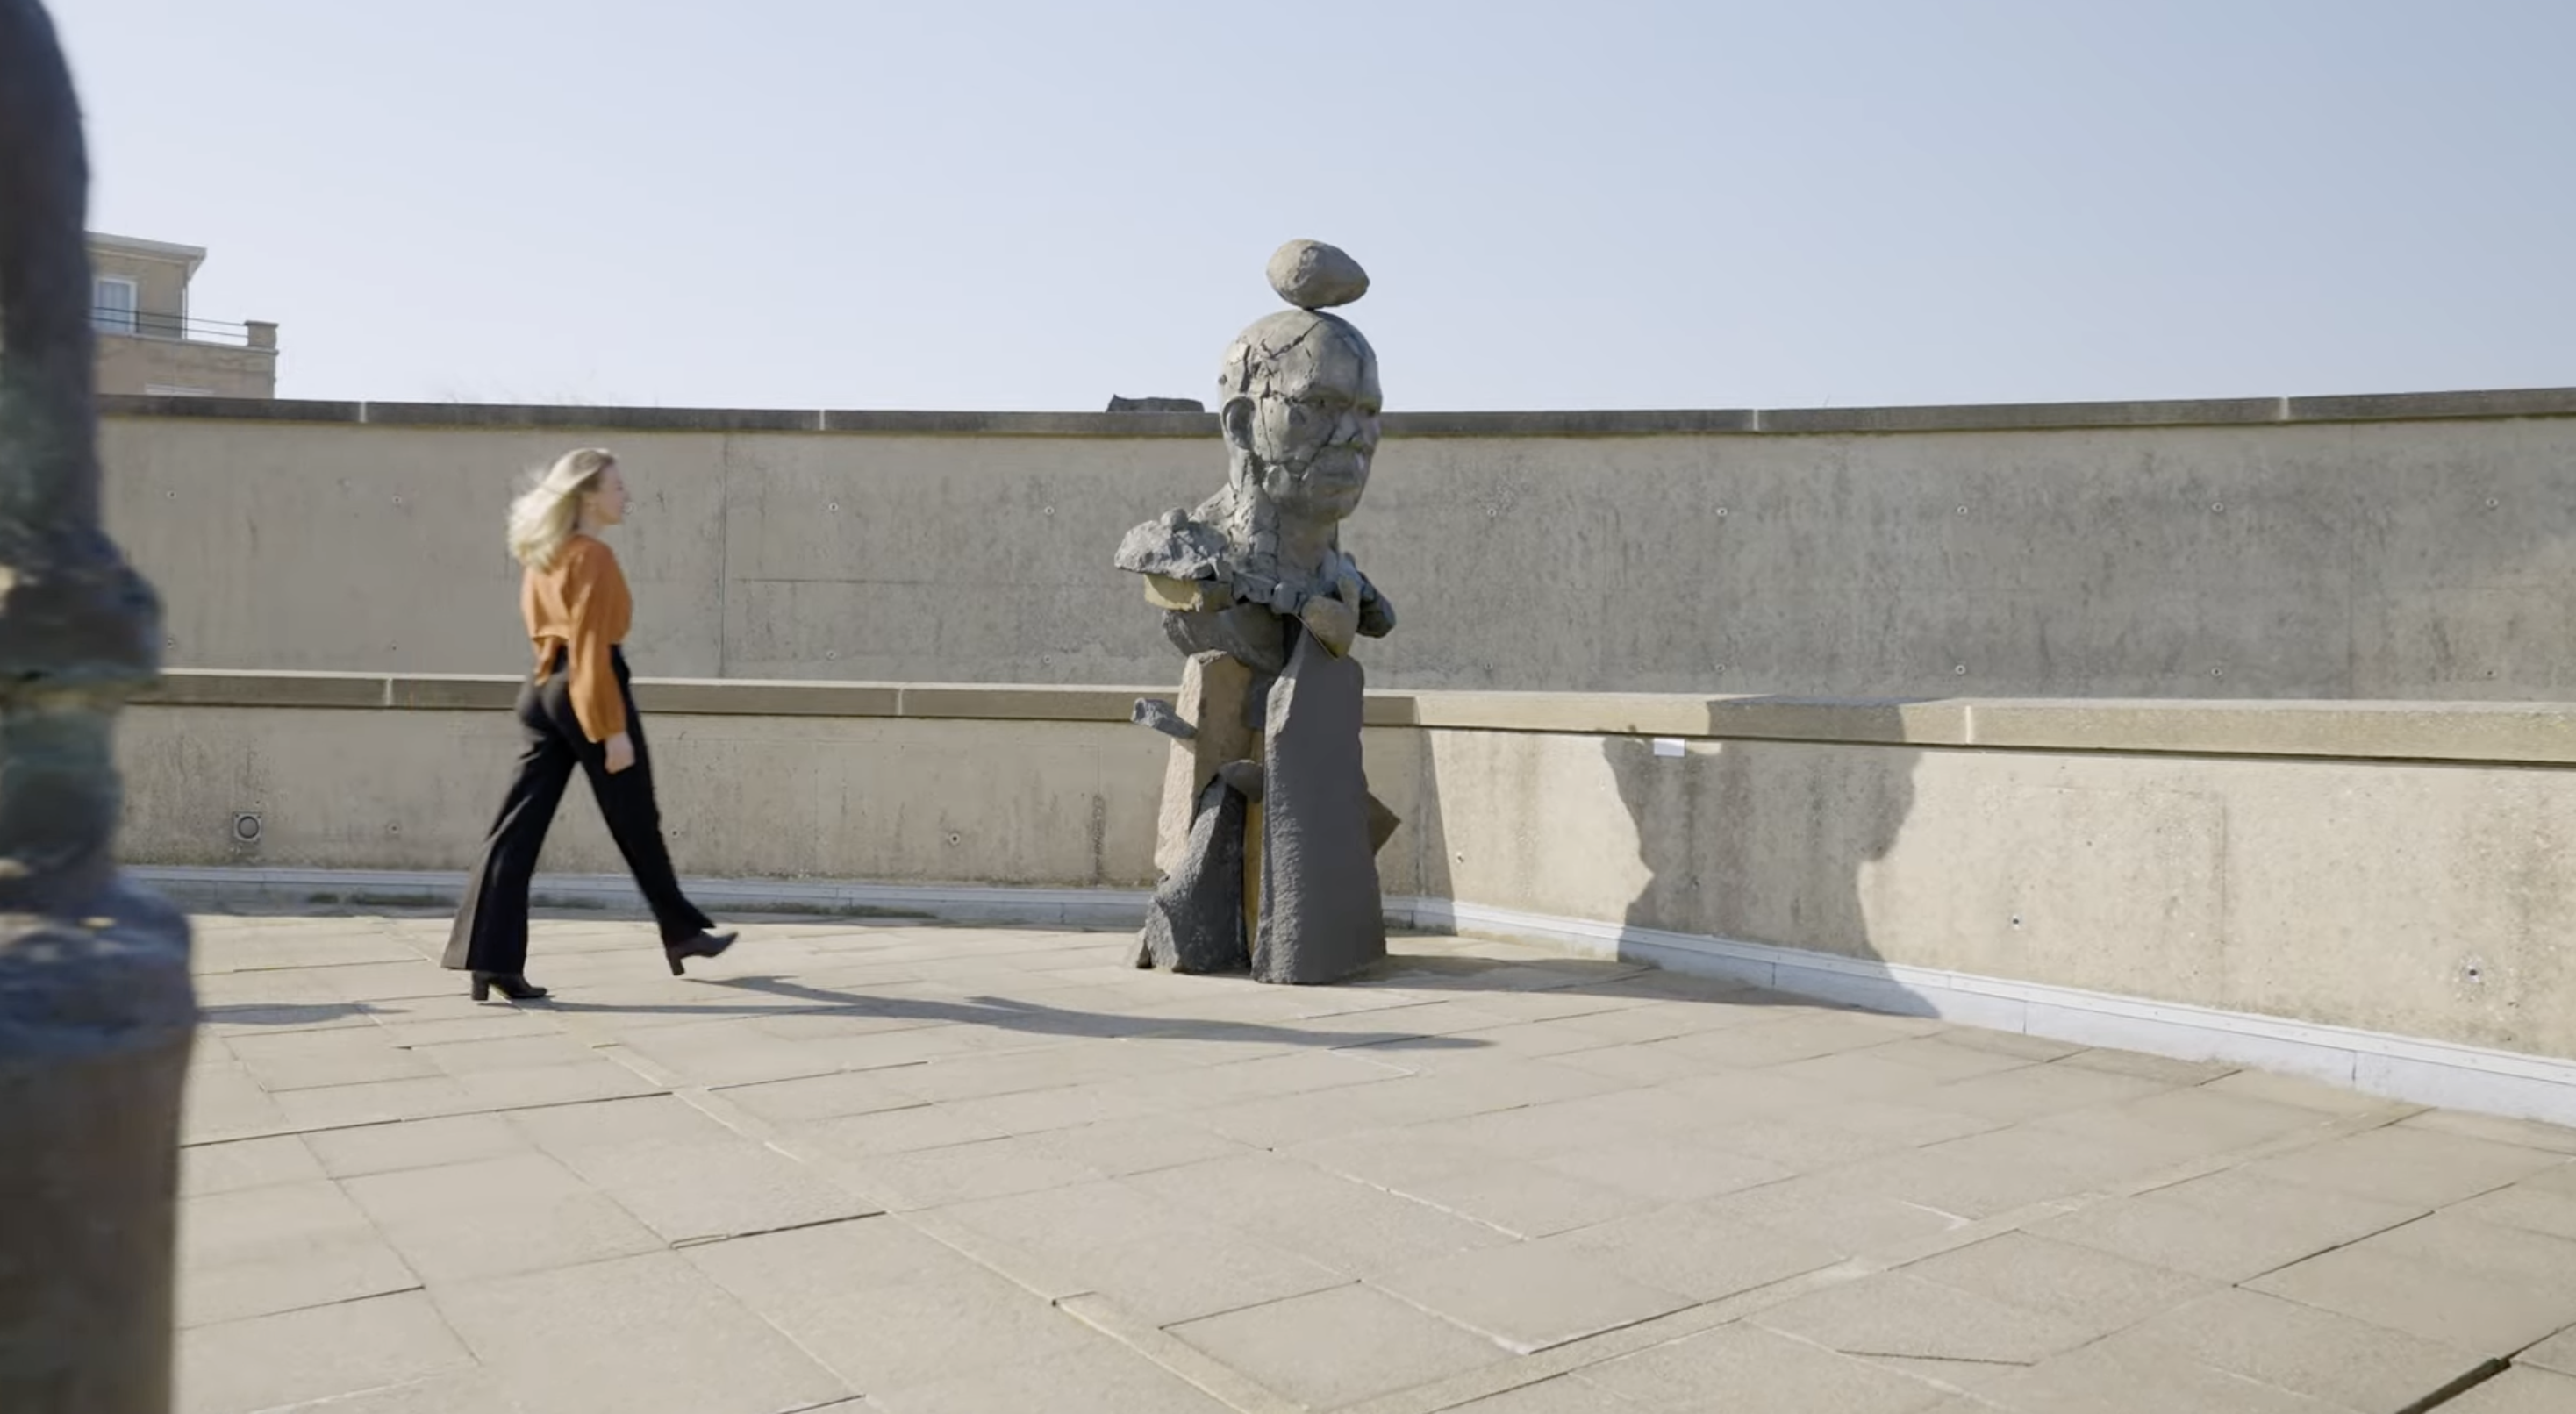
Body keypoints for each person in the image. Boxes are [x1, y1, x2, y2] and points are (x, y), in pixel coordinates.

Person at [443, 447, 734, 1000]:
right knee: (635, 819)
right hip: (587, 689)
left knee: (515, 832)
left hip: (542, 688)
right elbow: (592, 649)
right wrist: (611, 728)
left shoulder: (541, 556)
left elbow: (555, 640)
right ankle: (682, 932)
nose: (627, 496)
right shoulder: (592, 557)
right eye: (617, 487)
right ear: (587, 496)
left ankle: (490, 961)